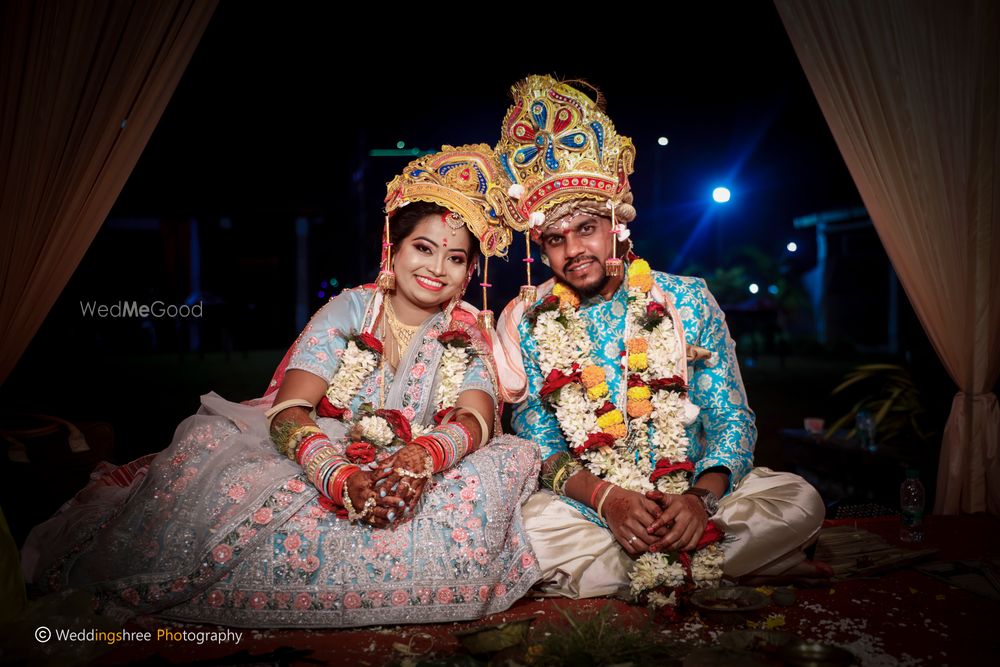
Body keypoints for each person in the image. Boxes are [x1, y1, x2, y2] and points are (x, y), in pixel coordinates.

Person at [22, 145, 542, 627]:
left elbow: (474, 417)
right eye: (423, 248)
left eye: (454, 259)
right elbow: (293, 408)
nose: (436, 268)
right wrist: (335, 475)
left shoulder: (467, 327)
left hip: (417, 460)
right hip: (328, 448)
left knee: (504, 464)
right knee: (214, 464)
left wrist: (422, 457)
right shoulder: (350, 309)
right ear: (394, 248)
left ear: (471, 269)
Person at [494, 75, 827, 603]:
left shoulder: (687, 299)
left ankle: (662, 559)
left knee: (799, 500)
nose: (572, 250)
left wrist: (700, 500)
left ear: (616, 226)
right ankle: (700, 567)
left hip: (693, 495)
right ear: (543, 247)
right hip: (591, 510)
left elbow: (731, 417)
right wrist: (608, 500)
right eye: (555, 239)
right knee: (528, 533)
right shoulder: (529, 319)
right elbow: (537, 443)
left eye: (586, 229)